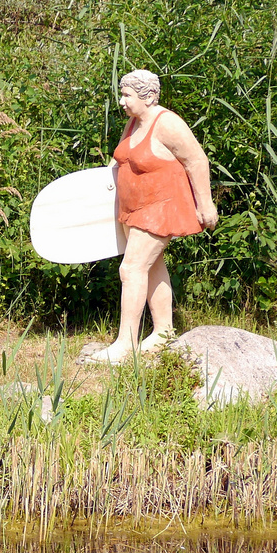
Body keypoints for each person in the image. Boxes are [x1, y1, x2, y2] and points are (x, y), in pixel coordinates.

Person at [88, 69, 218, 365]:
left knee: (131, 269)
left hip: (162, 206)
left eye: (127, 95)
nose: (121, 101)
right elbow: (119, 159)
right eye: (121, 94)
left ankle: (125, 344)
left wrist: (206, 204)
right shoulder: (134, 123)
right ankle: (164, 332)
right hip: (134, 209)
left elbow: (197, 160)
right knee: (152, 265)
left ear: (147, 97)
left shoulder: (167, 123)